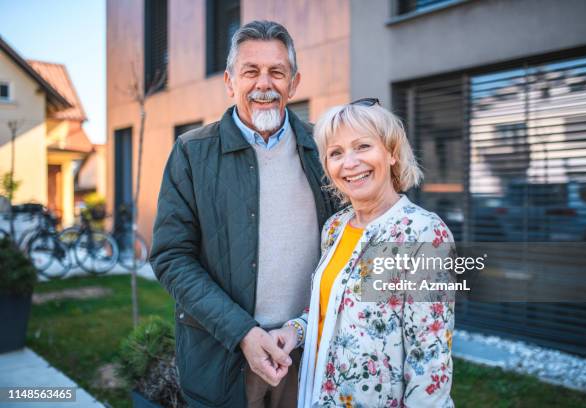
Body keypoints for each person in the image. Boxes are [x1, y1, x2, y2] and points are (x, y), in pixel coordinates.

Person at [149, 20, 336, 408]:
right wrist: (244, 333)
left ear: (294, 83)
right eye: (250, 72)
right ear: (230, 81)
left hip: (308, 353)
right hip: (224, 353)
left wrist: (301, 330)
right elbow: (171, 257)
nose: (264, 84)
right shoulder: (191, 153)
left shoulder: (325, 150)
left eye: (277, 72)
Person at [271, 100, 455, 407]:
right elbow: (334, 307)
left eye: (363, 146)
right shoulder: (335, 227)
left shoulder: (423, 234)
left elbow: (429, 359)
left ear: (392, 152)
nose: (350, 162)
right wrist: (295, 331)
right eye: (336, 153)